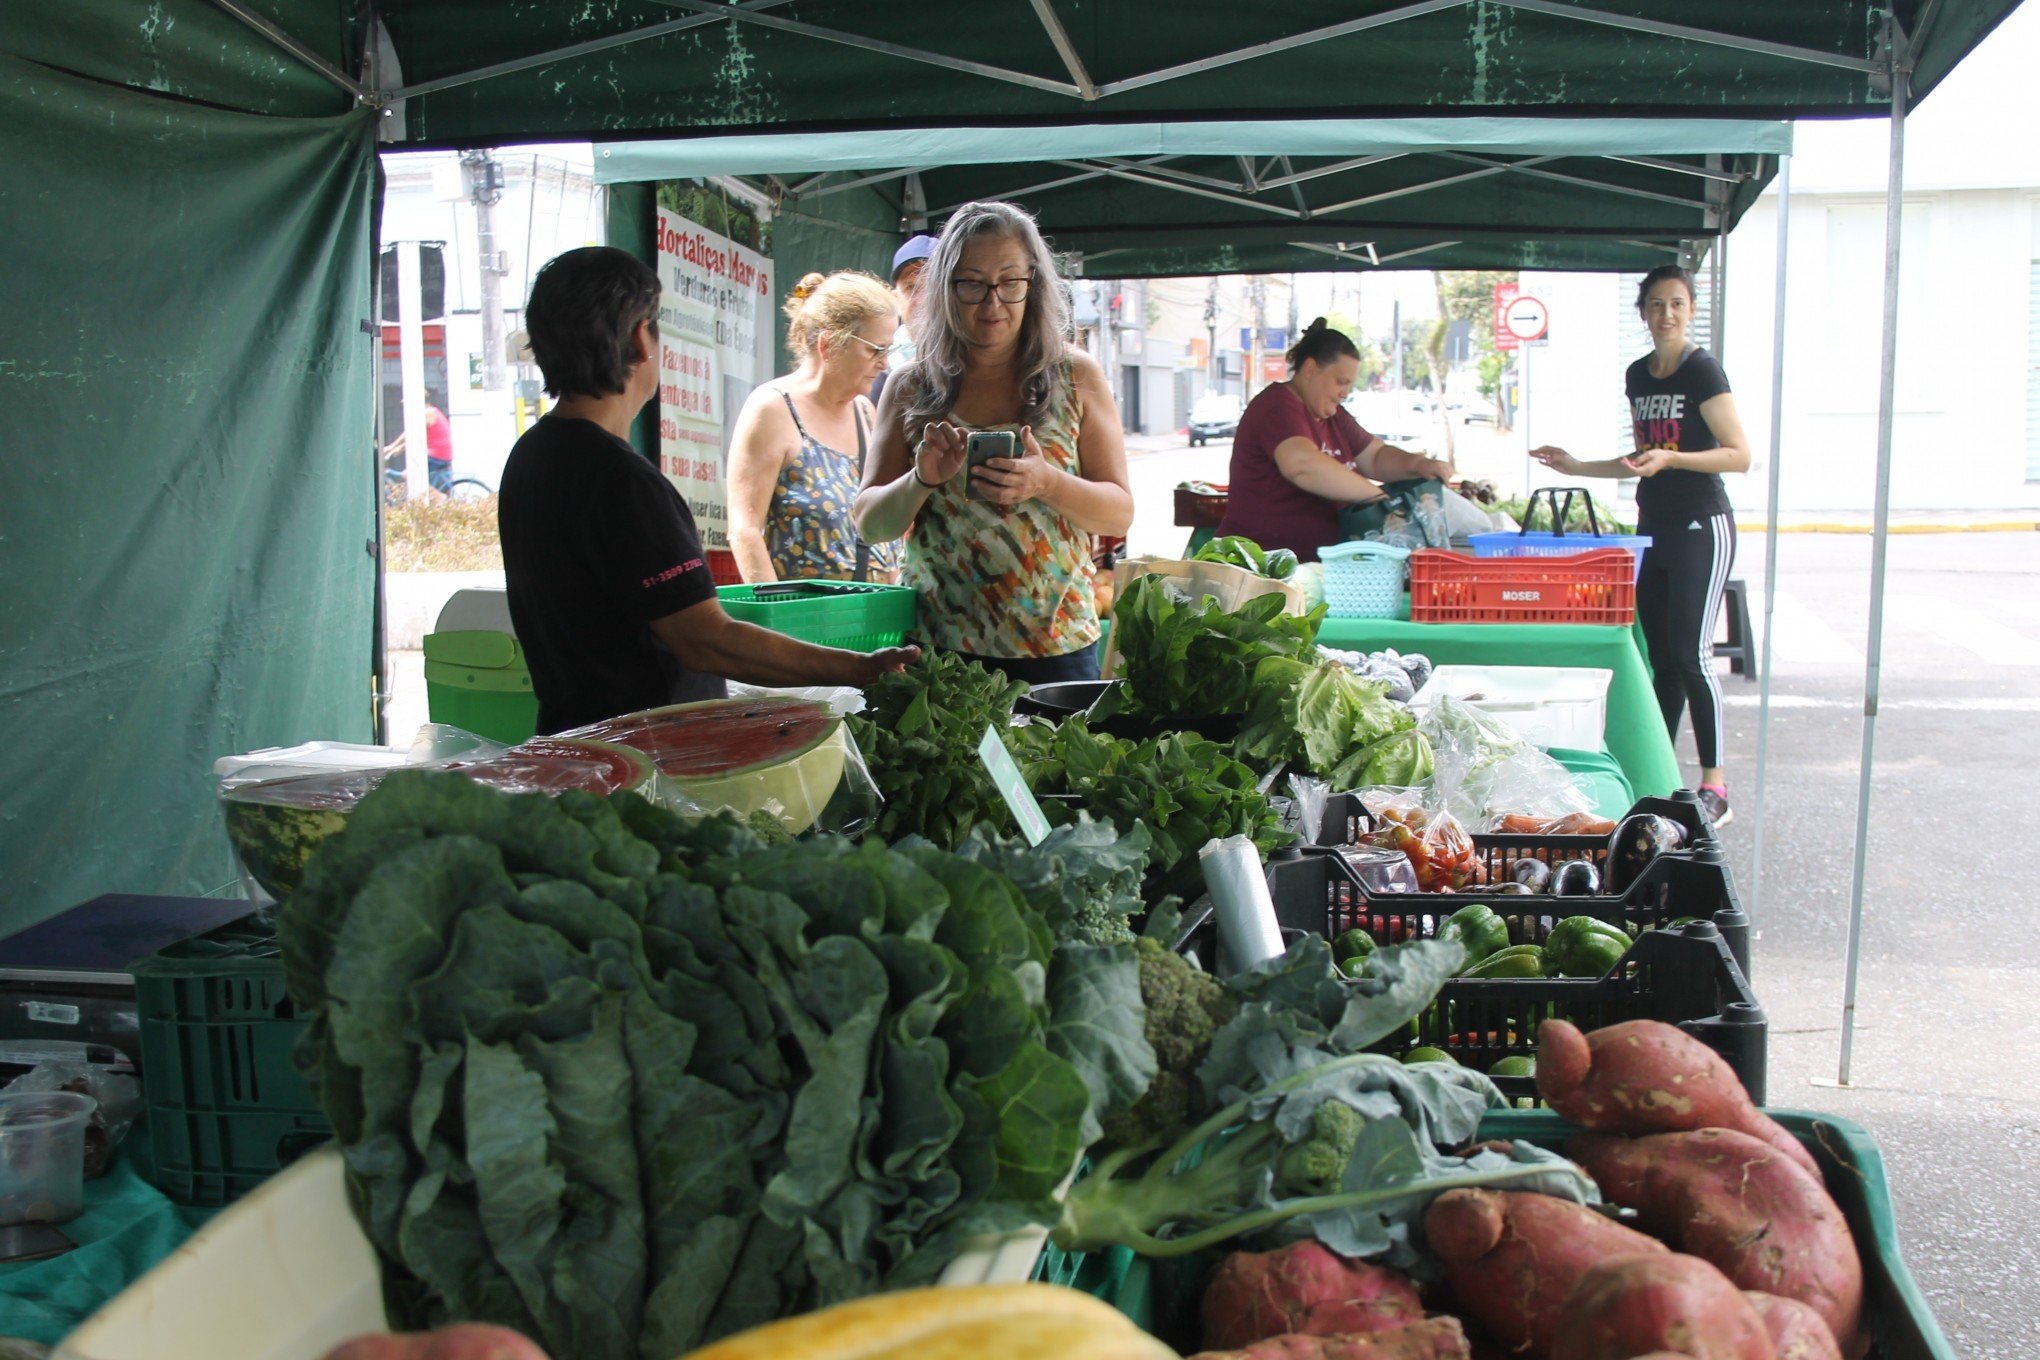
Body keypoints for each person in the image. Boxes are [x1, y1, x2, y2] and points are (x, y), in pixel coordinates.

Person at [497, 246, 916, 734]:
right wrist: (858, 668)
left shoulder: (529, 456)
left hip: (575, 735)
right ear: (640, 339)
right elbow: (706, 639)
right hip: (648, 754)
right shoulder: (624, 483)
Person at [854, 201, 1133, 685]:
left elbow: (1118, 513)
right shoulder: (909, 387)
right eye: (972, 284)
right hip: (942, 652)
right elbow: (870, 524)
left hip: (1058, 648)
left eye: (1010, 283)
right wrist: (921, 479)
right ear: (944, 288)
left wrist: (1047, 483)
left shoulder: (1076, 376)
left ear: (1034, 285)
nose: (992, 303)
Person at [1530, 264, 1753, 828]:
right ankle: (1663, 779)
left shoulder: (1703, 372)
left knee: (1693, 655)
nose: (1666, 315)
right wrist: (1576, 465)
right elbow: (1642, 457)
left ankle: (1716, 786)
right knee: (1664, 661)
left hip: (1703, 522)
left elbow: (1738, 454)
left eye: (1676, 304)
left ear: (1691, 310)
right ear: (1643, 314)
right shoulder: (1639, 376)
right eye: (1656, 305)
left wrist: (1674, 459)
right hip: (1653, 524)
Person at [1216, 319, 1453, 562]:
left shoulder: (1334, 416)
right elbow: (1301, 465)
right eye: (1341, 382)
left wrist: (1420, 465)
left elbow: (1375, 457)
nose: (1345, 393)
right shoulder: (1277, 407)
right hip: (1264, 569)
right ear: (1310, 369)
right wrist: (1378, 498)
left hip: (1317, 567)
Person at [725, 271, 902, 583]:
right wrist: (778, 621)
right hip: (804, 620)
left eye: (888, 350)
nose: (884, 363)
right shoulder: (771, 409)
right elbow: (745, 530)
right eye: (875, 349)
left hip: (875, 621)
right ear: (828, 344)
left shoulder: (864, 412)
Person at [869, 233, 938, 406]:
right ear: (896, 299)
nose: (922, 300)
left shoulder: (979, 359)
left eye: (932, 287)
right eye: (911, 287)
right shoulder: (877, 365)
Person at [424, 402, 454, 494]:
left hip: (438, 454)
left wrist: (391, 447)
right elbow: (414, 439)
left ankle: (440, 498)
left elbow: (411, 434)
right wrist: (395, 448)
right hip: (441, 453)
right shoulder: (434, 411)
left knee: (410, 475)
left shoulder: (428, 413)